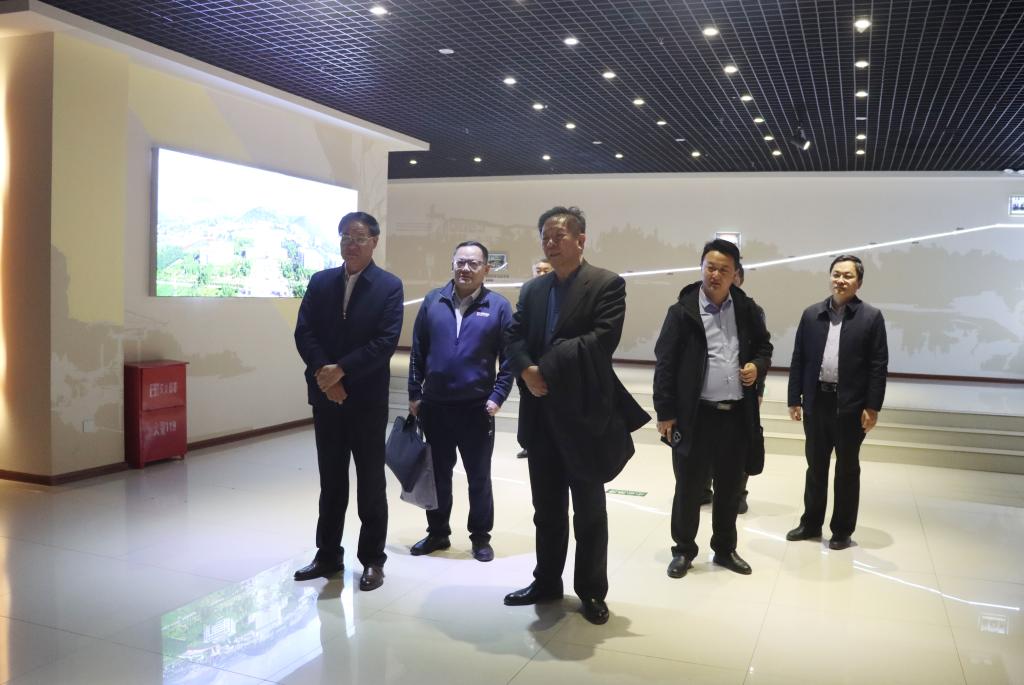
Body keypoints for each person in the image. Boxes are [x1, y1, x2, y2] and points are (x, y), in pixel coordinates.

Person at [503, 206, 649, 626]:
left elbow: (600, 341)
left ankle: (591, 591)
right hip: (541, 415)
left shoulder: (606, 284)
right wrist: (525, 370)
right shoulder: (533, 289)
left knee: (589, 513)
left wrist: (542, 368)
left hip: (584, 416)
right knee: (546, 510)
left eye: (559, 236)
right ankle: (547, 582)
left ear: (581, 239)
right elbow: (514, 336)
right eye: (545, 236)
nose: (550, 243)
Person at [293, 211, 403, 591]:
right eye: (345, 237)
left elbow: (384, 342)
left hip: (366, 400)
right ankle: (327, 555)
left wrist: (341, 372)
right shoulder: (321, 281)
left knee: (371, 482)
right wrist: (326, 376)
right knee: (331, 481)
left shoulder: (388, 286)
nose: (350, 244)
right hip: (327, 399)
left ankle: (372, 559)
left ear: (374, 242)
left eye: (358, 238)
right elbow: (304, 332)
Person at [653, 239, 772, 579]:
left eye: (724, 269)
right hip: (695, 416)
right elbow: (665, 364)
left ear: (735, 274)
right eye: (710, 267)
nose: (715, 275)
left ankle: (724, 549)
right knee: (688, 488)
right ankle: (683, 551)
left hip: (735, 415)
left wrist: (757, 366)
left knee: (730, 488)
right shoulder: (682, 312)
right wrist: (665, 412)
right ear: (702, 268)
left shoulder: (747, 310)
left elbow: (764, 347)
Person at [407, 241, 513, 562]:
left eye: (473, 263)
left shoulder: (498, 307)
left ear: (486, 269)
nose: (466, 268)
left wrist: (497, 396)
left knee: (478, 477)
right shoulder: (433, 301)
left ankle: (480, 537)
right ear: (452, 264)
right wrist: (415, 392)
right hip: (435, 407)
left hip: (476, 409)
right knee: (437, 475)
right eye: (461, 262)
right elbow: (418, 350)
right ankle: (438, 533)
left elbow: (510, 359)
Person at [785, 255, 888, 551]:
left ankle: (842, 530)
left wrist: (872, 406)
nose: (840, 280)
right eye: (836, 274)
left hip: (851, 407)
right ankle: (810, 523)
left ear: (859, 282)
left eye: (848, 276)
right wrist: (794, 398)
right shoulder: (811, 314)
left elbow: (878, 365)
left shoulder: (871, 317)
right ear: (830, 277)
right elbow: (799, 357)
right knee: (815, 466)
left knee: (847, 470)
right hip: (817, 401)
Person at [700, 264, 765, 513]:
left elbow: (761, 350)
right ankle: (703, 489)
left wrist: (759, 389)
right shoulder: (694, 307)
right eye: (714, 270)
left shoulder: (751, 310)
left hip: (740, 397)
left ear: (738, 279)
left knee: (741, 447)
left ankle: (738, 493)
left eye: (731, 274)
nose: (722, 278)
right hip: (705, 399)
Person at [516, 257, 553, 459]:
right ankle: (527, 444)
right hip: (528, 363)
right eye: (538, 270)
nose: (541, 273)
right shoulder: (527, 291)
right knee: (528, 408)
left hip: (552, 362)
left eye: (545, 270)